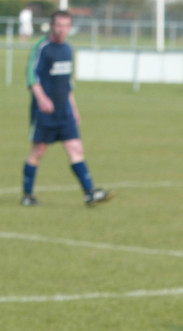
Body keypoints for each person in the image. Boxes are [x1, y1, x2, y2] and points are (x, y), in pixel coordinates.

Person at [21, 11, 112, 208]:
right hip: (44, 112)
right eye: (59, 25)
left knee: (76, 148)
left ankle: (89, 193)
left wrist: (74, 108)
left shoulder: (67, 50)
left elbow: (67, 84)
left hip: (65, 112)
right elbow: (31, 76)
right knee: (38, 152)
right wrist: (42, 99)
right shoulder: (42, 47)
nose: (62, 29)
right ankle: (27, 195)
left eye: (66, 26)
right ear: (52, 26)